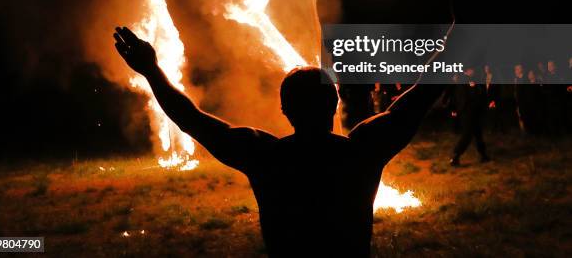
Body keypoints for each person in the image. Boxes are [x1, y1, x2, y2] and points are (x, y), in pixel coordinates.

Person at [113, 26, 445, 258]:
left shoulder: (266, 156)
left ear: (284, 109)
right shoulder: (360, 151)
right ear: (334, 103)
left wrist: (151, 70)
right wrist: (461, 28)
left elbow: (191, 120)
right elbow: (423, 93)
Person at [448, 67, 490, 166]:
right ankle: (455, 156)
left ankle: (484, 155)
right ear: (467, 71)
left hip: (473, 112)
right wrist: (474, 88)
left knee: (478, 134)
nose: (473, 71)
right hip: (468, 113)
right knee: (467, 135)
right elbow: (466, 97)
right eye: (471, 70)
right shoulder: (464, 81)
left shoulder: (469, 80)